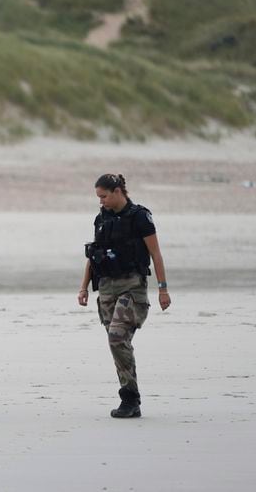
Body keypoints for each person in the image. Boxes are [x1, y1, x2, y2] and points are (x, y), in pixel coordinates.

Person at [78, 173, 171, 418]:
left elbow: (156, 254)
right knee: (117, 342)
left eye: (104, 196)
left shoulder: (140, 217)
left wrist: (162, 288)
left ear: (118, 191)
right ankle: (131, 397)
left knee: (117, 338)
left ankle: (129, 399)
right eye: (98, 197)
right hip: (106, 287)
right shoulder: (101, 218)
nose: (101, 202)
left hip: (132, 286)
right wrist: (83, 287)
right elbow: (92, 256)